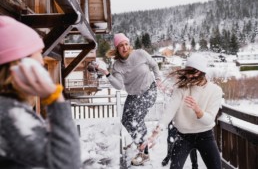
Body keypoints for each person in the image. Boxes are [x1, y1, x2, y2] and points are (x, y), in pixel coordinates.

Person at [0, 16, 81, 169]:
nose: (42, 62)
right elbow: (66, 165)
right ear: (21, 64)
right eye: (39, 52)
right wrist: (55, 99)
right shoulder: (9, 115)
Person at [97, 33, 162, 166]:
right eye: (121, 45)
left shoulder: (140, 54)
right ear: (117, 48)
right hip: (133, 94)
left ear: (129, 45)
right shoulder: (117, 66)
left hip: (149, 90)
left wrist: (159, 79)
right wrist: (107, 74)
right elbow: (119, 86)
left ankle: (144, 153)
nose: (124, 47)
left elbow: (154, 65)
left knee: (137, 119)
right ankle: (139, 140)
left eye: (126, 44)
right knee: (126, 120)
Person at [150, 53, 223, 169]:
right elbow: (170, 109)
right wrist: (157, 130)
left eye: (192, 72)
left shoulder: (215, 91)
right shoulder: (181, 88)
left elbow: (209, 120)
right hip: (183, 136)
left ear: (202, 72)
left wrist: (198, 110)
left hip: (206, 135)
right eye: (187, 72)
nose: (189, 77)